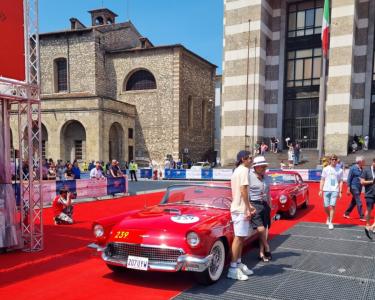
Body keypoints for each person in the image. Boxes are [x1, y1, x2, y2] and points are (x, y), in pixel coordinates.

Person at [227, 150, 256, 281]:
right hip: (240, 209)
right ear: (243, 159)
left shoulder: (238, 170)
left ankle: (238, 263)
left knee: (241, 237)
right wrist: (248, 207)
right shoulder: (243, 170)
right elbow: (243, 189)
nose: (252, 160)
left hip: (239, 208)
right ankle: (232, 269)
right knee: (238, 238)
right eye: (250, 158)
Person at [249, 156, 272, 262]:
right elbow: (244, 193)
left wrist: (270, 205)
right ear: (255, 167)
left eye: (264, 166)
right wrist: (248, 206)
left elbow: (268, 192)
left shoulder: (267, 177)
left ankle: (262, 253)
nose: (264, 168)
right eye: (261, 167)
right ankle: (267, 247)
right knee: (261, 229)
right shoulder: (249, 176)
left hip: (265, 205)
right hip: (254, 204)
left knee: (265, 229)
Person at [319, 154, 343, 230]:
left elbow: (341, 181)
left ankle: (331, 222)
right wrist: (320, 190)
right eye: (332, 159)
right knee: (326, 206)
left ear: (337, 160)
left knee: (332, 206)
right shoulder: (325, 169)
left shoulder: (340, 170)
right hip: (326, 189)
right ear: (330, 160)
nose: (334, 161)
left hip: (335, 190)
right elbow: (322, 179)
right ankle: (328, 216)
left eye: (335, 159)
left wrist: (340, 191)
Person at [344, 156, 365, 221]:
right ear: (359, 162)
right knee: (359, 201)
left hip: (359, 187)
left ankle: (346, 213)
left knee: (354, 202)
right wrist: (348, 188)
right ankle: (361, 216)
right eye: (363, 161)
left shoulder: (362, 168)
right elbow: (349, 178)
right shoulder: (353, 168)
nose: (364, 162)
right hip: (353, 187)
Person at [360, 159, 375, 239]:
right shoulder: (366, 170)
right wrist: (371, 181)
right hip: (369, 194)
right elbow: (362, 182)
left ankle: (373, 226)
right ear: (373, 162)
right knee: (369, 210)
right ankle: (368, 224)